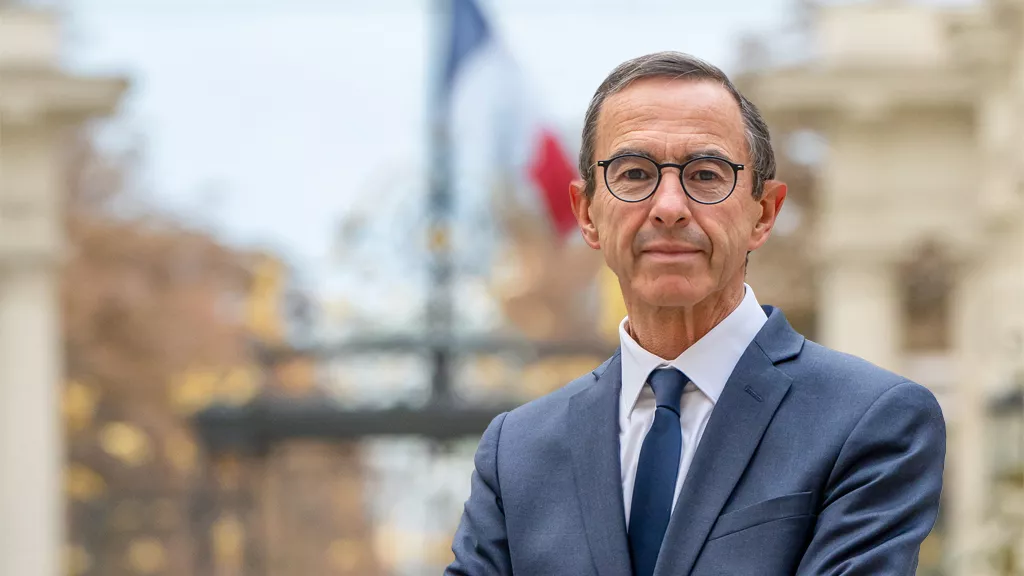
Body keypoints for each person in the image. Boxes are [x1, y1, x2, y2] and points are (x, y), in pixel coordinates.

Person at [446, 51, 945, 576]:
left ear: (764, 213)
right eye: (634, 173)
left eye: (706, 175)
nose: (669, 206)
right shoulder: (516, 452)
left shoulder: (870, 421)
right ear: (586, 215)